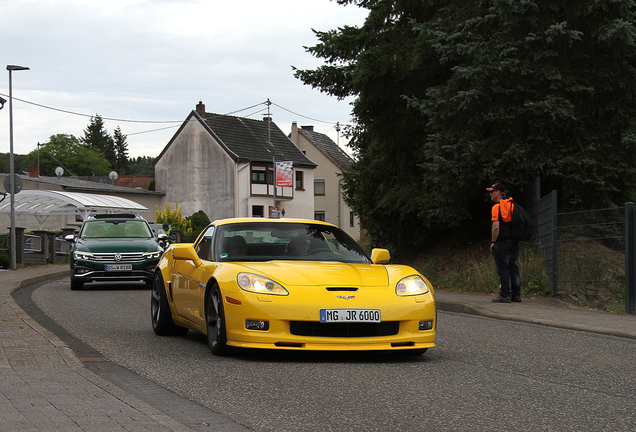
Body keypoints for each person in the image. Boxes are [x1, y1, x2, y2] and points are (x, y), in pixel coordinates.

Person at [487, 183, 521, 303]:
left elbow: (496, 226)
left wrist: (493, 241)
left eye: (492, 191)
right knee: (513, 267)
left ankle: (504, 295)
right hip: (514, 241)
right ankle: (516, 295)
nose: (490, 194)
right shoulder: (512, 205)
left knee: (503, 269)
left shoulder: (497, 207)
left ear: (498, 192)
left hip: (502, 242)